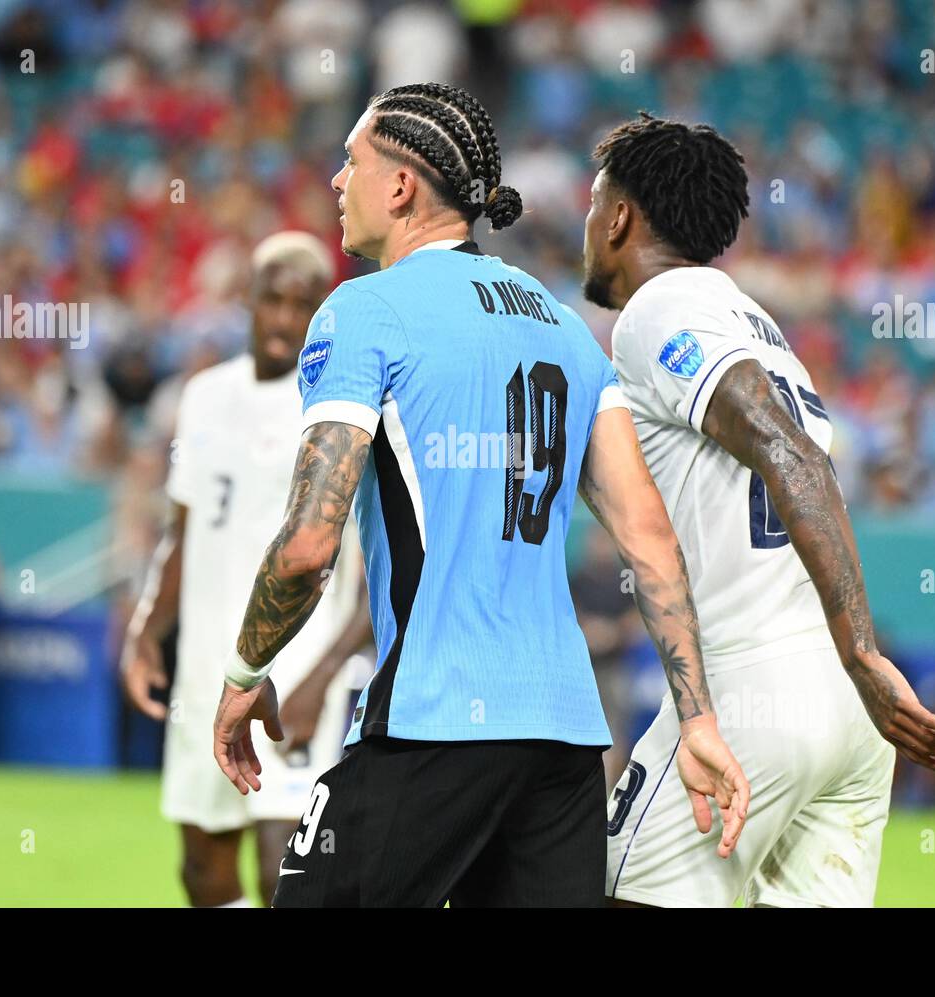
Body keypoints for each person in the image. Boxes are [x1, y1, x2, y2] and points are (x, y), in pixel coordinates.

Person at [211, 83, 749, 908]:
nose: (335, 182)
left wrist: (246, 668)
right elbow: (650, 539)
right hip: (564, 740)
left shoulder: (363, 312)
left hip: (434, 722)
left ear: (399, 186)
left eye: (350, 161)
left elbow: (309, 544)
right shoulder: (565, 327)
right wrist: (698, 719)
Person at [581, 113, 935, 907]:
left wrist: (863, 650)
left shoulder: (660, 310)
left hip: (754, 689)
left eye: (595, 202)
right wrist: (855, 657)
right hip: (843, 715)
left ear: (619, 215)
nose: (587, 224)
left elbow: (790, 452)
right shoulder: (757, 323)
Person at [122, 232, 372, 908]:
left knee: (282, 871)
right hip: (209, 668)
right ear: (247, 301)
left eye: (304, 304)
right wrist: (146, 631)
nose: (287, 319)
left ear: (325, 311)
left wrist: (324, 678)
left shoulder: (342, 400)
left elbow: (375, 566)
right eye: (274, 300)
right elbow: (183, 532)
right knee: (203, 872)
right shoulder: (204, 395)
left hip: (296, 677)